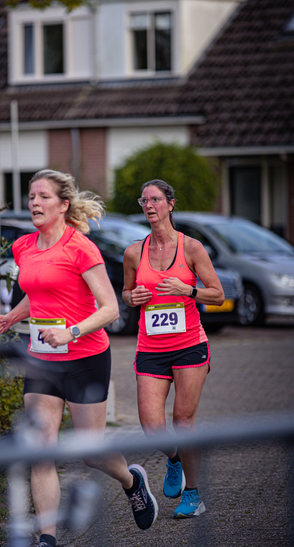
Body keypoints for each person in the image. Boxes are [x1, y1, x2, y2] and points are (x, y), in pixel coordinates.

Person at [0, 169, 158, 547]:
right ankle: (47, 537)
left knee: (91, 453)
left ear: (63, 205)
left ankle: (132, 481)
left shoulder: (80, 247)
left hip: (85, 357)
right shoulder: (24, 246)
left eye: (43, 196)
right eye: (32, 196)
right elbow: (40, 292)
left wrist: (72, 330)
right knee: (40, 451)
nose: (34, 202)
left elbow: (110, 308)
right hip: (42, 359)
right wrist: (12, 317)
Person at [122, 179, 224, 519]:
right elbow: (125, 291)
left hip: (189, 345)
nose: (149, 205)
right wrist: (132, 297)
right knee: (152, 425)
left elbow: (218, 294)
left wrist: (187, 290)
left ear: (170, 204)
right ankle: (175, 459)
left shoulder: (192, 248)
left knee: (183, 420)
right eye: (144, 200)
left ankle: (193, 495)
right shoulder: (134, 252)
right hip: (150, 347)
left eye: (155, 199)